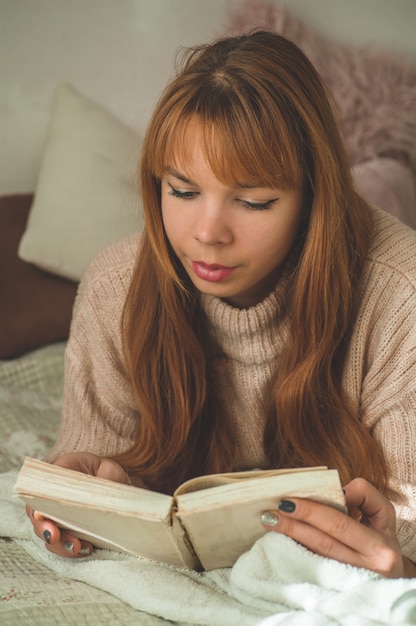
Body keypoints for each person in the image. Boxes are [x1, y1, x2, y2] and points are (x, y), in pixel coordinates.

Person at [28, 30, 416, 578]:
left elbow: (407, 528)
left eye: (254, 201)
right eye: (182, 191)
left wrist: (402, 563)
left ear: (313, 197)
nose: (207, 233)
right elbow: (98, 463)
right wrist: (91, 493)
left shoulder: (402, 295)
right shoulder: (115, 286)